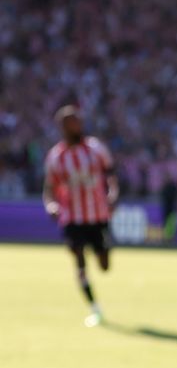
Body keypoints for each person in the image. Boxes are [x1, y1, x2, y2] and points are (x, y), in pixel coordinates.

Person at [43, 105, 118, 327]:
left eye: (76, 120)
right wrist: (51, 206)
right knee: (79, 260)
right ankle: (95, 308)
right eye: (70, 122)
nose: (75, 125)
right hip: (72, 217)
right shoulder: (56, 157)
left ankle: (101, 252)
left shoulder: (95, 149)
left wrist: (113, 194)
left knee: (104, 264)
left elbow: (111, 173)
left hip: (98, 215)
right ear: (63, 127)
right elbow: (49, 188)